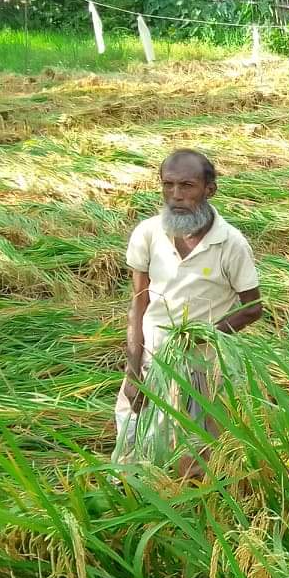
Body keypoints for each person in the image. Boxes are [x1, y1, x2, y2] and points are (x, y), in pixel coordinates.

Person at [113, 149, 263, 473]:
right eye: (168, 185)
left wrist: (200, 336)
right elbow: (138, 303)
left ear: (210, 190)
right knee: (134, 443)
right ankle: (132, 491)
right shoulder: (149, 233)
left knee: (199, 451)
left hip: (205, 364)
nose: (176, 195)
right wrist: (133, 372)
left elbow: (252, 307)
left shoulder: (230, 244)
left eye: (187, 186)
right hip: (153, 358)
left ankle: (195, 495)